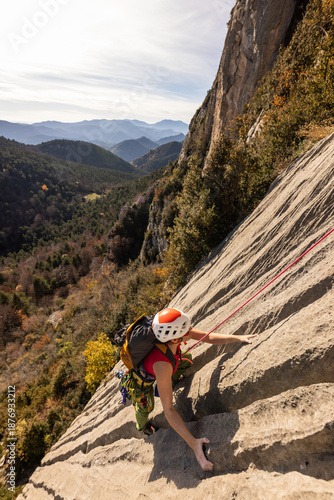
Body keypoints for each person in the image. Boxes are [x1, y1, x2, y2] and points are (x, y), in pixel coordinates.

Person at [130, 307, 257, 471]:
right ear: (175, 339)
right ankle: (143, 427)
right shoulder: (162, 365)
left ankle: (168, 382)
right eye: (186, 330)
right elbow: (168, 410)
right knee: (143, 407)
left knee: (186, 360)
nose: (189, 331)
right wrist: (193, 443)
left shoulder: (174, 336)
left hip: (168, 366)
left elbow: (208, 336)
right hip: (141, 380)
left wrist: (237, 338)